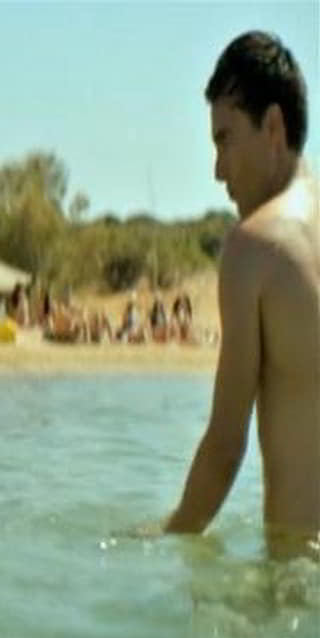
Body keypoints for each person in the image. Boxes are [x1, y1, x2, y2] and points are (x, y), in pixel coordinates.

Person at [147, 31, 318, 558]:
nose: (218, 170)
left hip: (300, 579)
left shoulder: (256, 247)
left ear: (273, 127)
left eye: (225, 140)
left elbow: (225, 447)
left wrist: (161, 540)